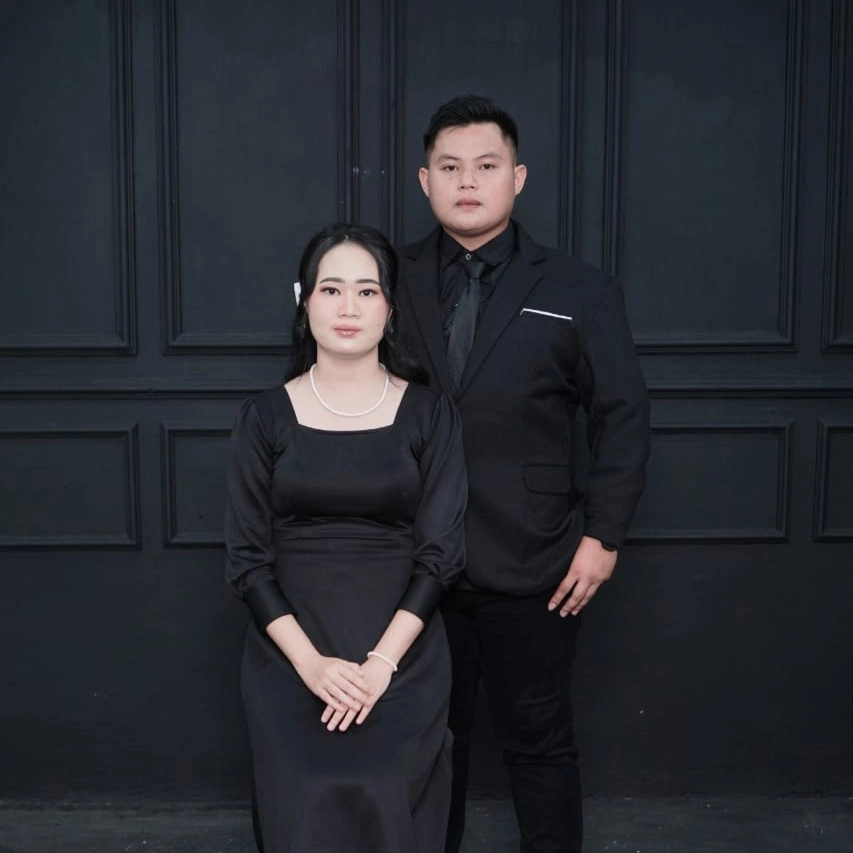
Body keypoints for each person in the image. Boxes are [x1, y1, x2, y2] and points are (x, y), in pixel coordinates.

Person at [397, 95, 651, 853]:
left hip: (535, 557)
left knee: (539, 744)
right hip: (407, 559)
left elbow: (622, 415)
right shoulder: (385, 277)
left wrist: (603, 537)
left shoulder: (578, 289)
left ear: (518, 177)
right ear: (425, 180)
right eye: (449, 167)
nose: (467, 181)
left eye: (486, 165)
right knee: (423, 744)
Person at [224, 223, 467, 853]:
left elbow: (440, 556)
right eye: (331, 289)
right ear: (304, 302)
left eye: (367, 290)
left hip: (402, 652)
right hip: (290, 654)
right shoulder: (263, 417)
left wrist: (381, 665)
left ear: (391, 307)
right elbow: (248, 562)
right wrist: (310, 666)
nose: (349, 307)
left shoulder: (431, 413)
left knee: (385, 792)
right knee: (308, 799)